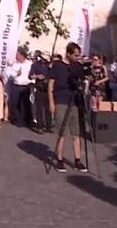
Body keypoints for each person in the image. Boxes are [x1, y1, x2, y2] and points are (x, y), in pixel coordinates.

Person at [50, 43, 89, 173]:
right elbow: (51, 84)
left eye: (79, 55)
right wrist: (51, 102)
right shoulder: (57, 65)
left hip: (75, 101)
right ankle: (60, 160)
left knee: (76, 133)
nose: (77, 57)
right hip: (61, 100)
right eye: (75, 55)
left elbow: (83, 81)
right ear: (68, 53)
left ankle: (77, 160)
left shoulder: (78, 66)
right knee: (62, 132)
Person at [6, 49, 33, 128]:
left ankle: (26, 120)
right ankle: (19, 120)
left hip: (25, 86)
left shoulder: (29, 64)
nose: (16, 56)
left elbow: (32, 74)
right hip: (16, 86)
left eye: (17, 55)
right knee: (15, 103)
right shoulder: (15, 65)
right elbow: (9, 74)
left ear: (22, 55)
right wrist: (16, 74)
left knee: (25, 104)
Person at [29, 51, 52, 132]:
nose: (45, 61)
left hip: (48, 89)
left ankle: (48, 125)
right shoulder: (35, 65)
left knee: (48, 108)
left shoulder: (49, 66)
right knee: (39, 108)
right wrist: (38, 76)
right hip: (40, 88)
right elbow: (30, 76)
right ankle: (39, 126)